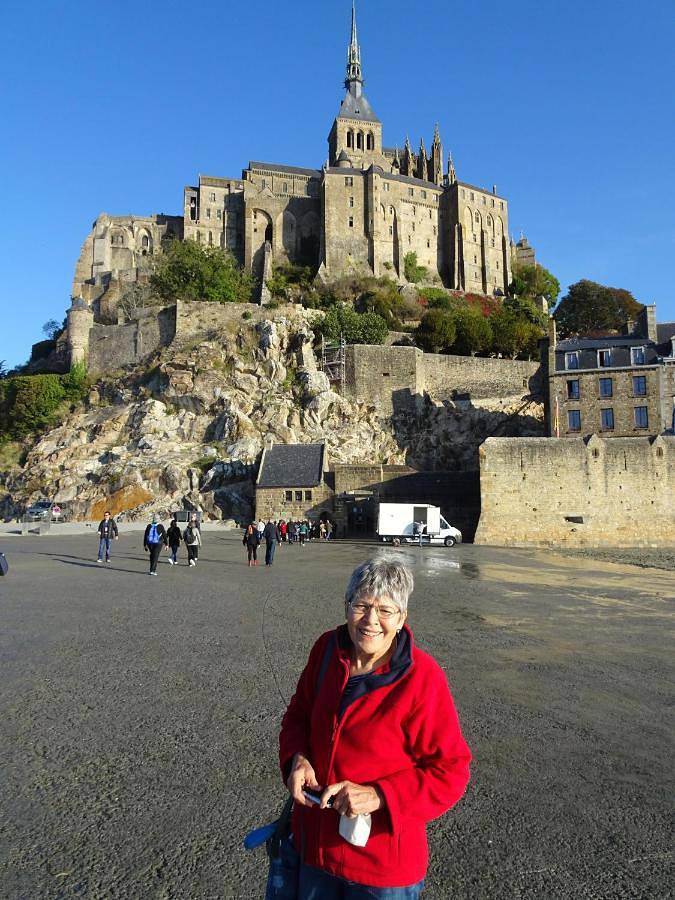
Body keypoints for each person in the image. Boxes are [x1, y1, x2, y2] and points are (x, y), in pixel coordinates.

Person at [279, 556, 471, 898]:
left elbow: (451, 770)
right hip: (314, 851)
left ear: (402, 619)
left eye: (385, 610)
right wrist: (298, 758)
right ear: (346, 606)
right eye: (362, 605)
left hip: (380, 870)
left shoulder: (422, 679)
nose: (371, 620)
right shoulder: (326, 650)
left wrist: (380, 795)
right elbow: (298, 714)